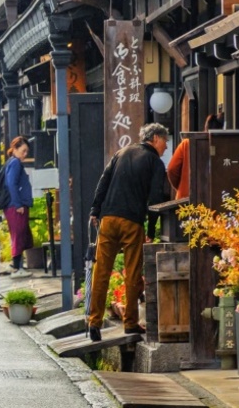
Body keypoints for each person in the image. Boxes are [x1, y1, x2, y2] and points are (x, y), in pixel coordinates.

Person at [86, 123, 170, 341]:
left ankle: (94, 322)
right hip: (132, 221)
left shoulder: (121, 153)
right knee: (132, 273)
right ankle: (130, 323)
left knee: (101, 271)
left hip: (108, 219)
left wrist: (95, 209)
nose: (166, 146)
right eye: (165, 141)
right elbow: (156, 199)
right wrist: (151, 229)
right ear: (156, 139)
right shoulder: (155, 163)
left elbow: (103, 181)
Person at [166, 114, 223, 200]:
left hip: (186, 198)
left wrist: (182, 185)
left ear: (206, 126)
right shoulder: (225, 146)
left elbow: (171, 169)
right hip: (217, 199)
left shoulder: (187, 143)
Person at [0, 136, 34, 277]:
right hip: (16, 206)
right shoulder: (15, 163)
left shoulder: (11, 163)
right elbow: (11, 184)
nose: (25, 154)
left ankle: (18, 265)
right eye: (23, 151)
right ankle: (16, 266)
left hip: (14, 205)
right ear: (15, 149)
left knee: (20, 234)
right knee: (19, 234)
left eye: (27, 151)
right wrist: (18, 203)